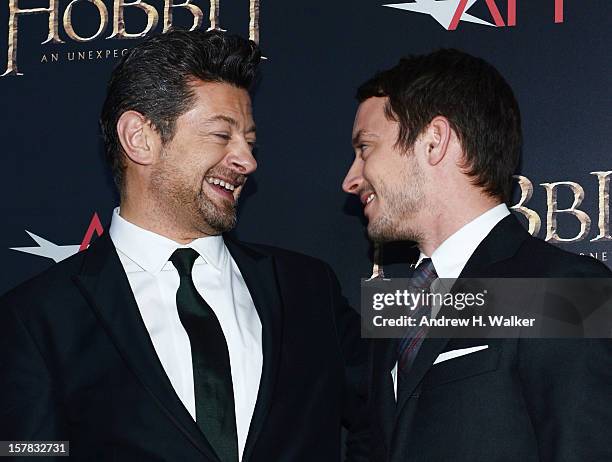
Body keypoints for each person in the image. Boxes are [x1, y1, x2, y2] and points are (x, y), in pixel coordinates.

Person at [0, 30, 366, 462]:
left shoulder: (309, 287)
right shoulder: (37, 318)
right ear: (140, 137)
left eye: (249, 142)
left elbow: (389, 416)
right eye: (220, 135)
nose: (247, 161)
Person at [342, 49, 612, 461]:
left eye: (366, 148)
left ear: (434, 141)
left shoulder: (565, 292)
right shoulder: (397, 307)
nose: (351, 179)